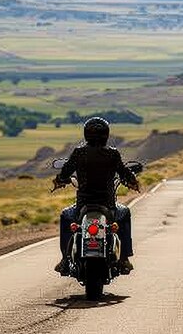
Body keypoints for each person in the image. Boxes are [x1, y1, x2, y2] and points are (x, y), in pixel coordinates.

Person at [52, 117, 139, 276]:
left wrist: (59, 181)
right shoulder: (112, 154)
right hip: (108, 205)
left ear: (86, 134)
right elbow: (124, 173)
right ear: (106, 134)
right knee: (124, 213)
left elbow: (65, 171)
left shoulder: (79, 153)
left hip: (84, 204)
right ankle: (125, 258)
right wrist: (132, 181)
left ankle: (65, 259)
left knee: (66, 216)